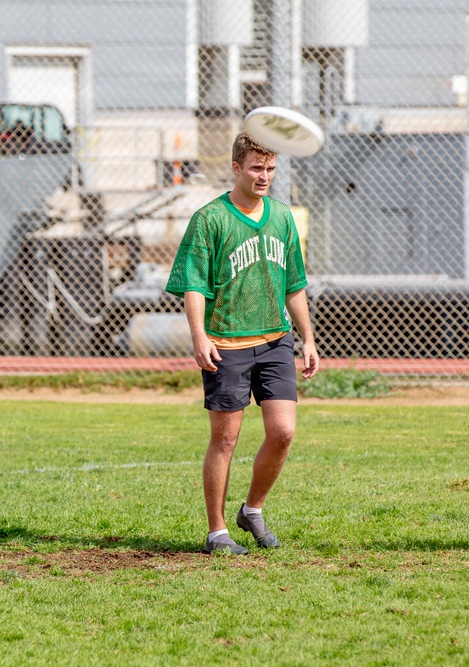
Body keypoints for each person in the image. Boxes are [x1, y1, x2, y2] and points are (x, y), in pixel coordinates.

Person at [165, 132, 319, 555]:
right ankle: (217, 533)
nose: (264, 176)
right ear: (236, 167)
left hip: (274, 341)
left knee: (283, 432)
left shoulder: (282, 217)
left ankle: (252, 509)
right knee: (226, 439)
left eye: (270, 168)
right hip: (226, 344)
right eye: (256, 168)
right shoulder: (210, 219)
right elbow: (193, 285)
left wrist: (307, 338)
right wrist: (199, 336)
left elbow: (294, 284)